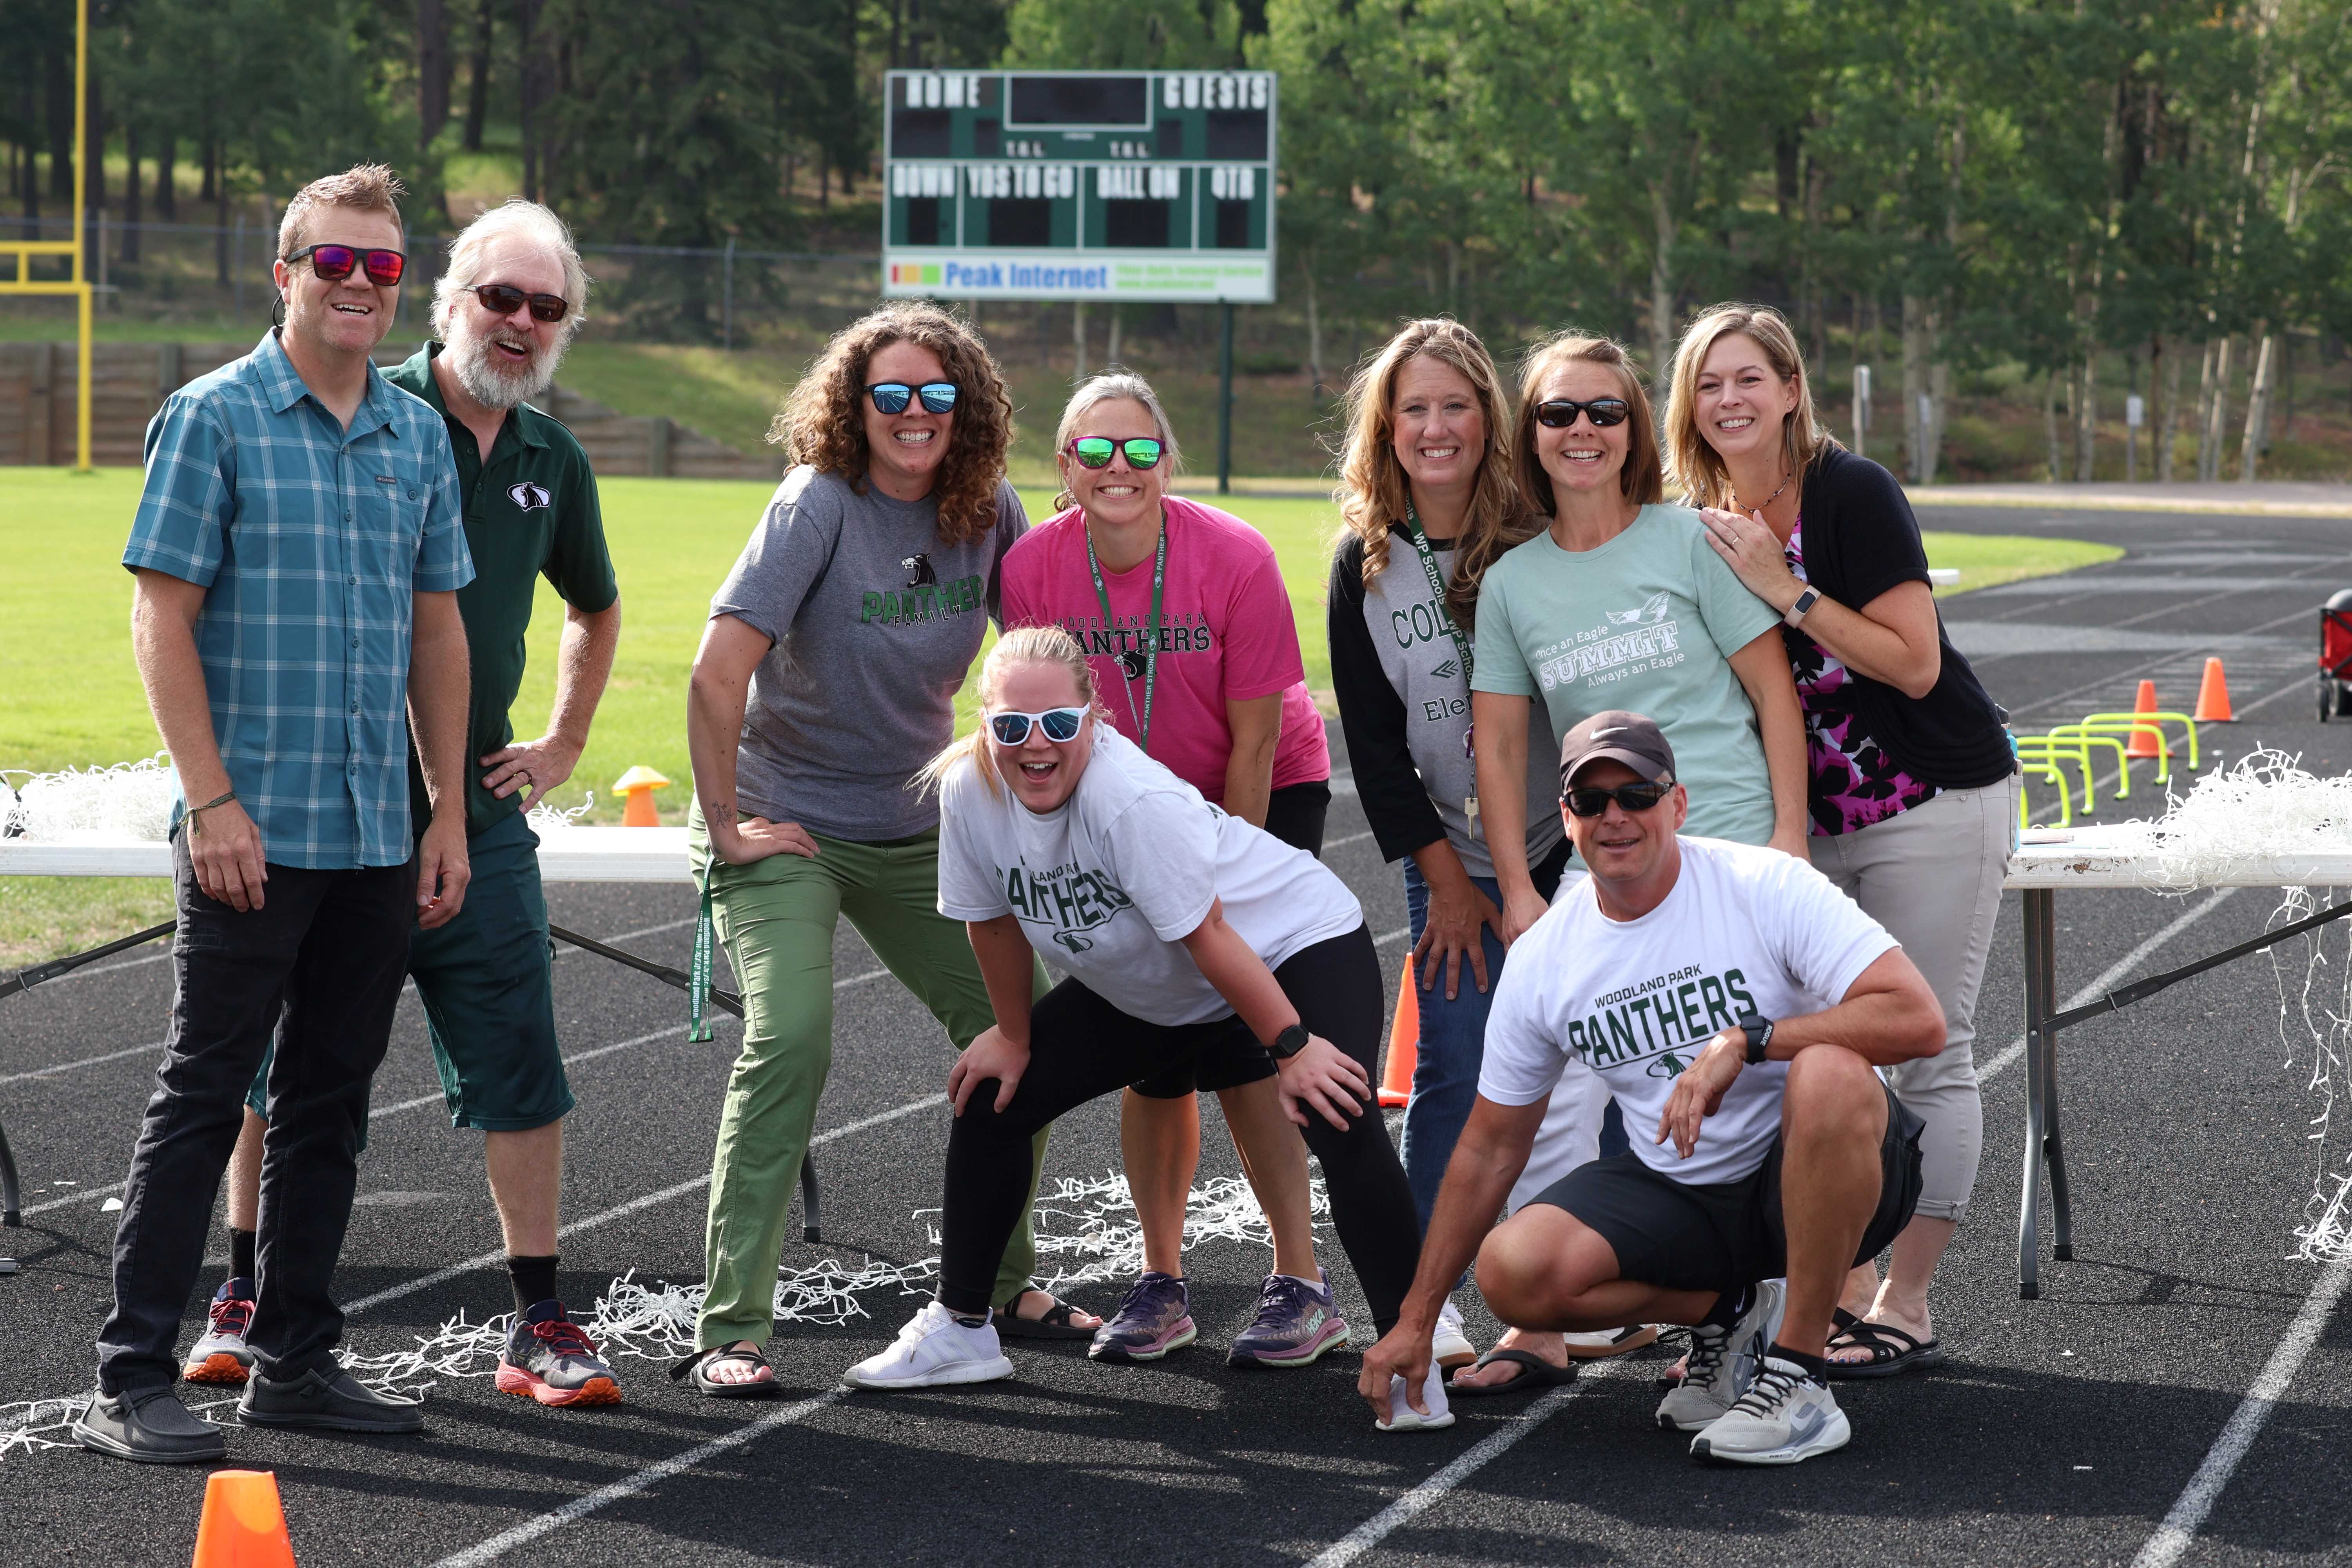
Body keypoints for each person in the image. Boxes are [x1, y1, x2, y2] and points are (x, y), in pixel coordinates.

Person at [193, 200, 628, 1409]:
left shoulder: (554, 459)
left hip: (475, 817)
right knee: (278, 1071)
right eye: (503, 297)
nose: (523, 322)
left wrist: (561, 741)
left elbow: (597, 607)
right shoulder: (365, 409)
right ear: (450, 297)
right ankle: (244, 1294)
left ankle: (540, 1320)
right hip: (325, 811)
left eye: (548, 307)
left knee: (523, 1066)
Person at [78, 164, 476, 1463]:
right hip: (252, 828)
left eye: (382, 269)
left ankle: (294, 1361)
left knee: (331, 1105)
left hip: (375, 831)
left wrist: (445, 815)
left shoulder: (416, 434)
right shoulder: (215, 416)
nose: (359, 287)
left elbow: (438, 628)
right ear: (285, 272)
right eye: (335, 264)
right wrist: (212, 804)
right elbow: (161, 617)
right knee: (203, 1094)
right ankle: (132, 1376)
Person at [843, 628, 1447, 1431]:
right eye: (1012, 726)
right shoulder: (967, 790)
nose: (1035, 745)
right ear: (983, 724)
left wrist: (1293, 1049)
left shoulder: (1132, 802)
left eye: (1059, 724)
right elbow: (989, 922)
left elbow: (1212, 938)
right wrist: (1014, 1036)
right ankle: (960, 1329)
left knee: (1337, 1111)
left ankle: (1416, 1351)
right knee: (992, 1097)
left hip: (1288, 943)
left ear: (1095, 720)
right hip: (1164, 984)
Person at [677, 303, 1092, 1397]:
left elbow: (1042, 659)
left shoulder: (986, 507)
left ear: (968, 410)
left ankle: (1001, 1284)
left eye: (936, 396)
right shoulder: (817, 505)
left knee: (1027, 1031)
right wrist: (726, 828)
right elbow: (717, 676)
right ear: (854, 409)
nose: (914, 415)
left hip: (917, 826)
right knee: (794, 1036)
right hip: (791, 823)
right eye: (891, 395)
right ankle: (733, 1326)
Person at [1358, 710, 1944, 1466]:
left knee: (1828, 1068)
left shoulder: (1762, 884)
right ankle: (1732, 1316)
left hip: (1822, 1174)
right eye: (1591, 801)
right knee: (1514, 1271)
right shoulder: (1547, 957)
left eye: (1637, 794)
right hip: (1684, 1191)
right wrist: (1416, 1318)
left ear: (1677, 804)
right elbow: (1491, 1144)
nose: (1616, 816)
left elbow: (1917, 1019)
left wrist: (1751, 1040)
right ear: (1565, 820)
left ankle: (1800, 1376)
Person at [1668, 303, 2018, 1377]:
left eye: (1748, 380)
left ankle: (1906, 1303)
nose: (1729, 400)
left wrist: (1791, 590)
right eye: (1708, 384)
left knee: (1926, 1043)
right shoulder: (1700, 514)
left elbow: (1912, 665)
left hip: (1930, 802)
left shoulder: (1849, 492)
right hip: (1807, 831)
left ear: (1788, 388)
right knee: (1819, 1055)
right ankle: (1846, 1288)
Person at [1457, 330, 1809, 1392]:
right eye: (1559, 414)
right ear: (1531, 434)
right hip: (1600, 852)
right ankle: (1543, 1332)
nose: (1581, 433)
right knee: (1553, 1083)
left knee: (1767, 1074)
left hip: (1731, 839)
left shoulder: (1687, 541)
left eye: (1604, 413)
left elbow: (1773, 696)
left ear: (1634, 431)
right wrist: (1519, 887)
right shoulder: (1515, 582)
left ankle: (1793, 1316)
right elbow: (1502, 743)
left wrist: (1789, 839)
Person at [1325, 319, 1651, 1388]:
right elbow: (1373, 749)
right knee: (1456, 1076)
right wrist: (1445, 883)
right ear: (1386, 426)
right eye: (1412, 409)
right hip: (1452, 859)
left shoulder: (1532, 532)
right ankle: (1428, 1309)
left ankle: (1613, 1288)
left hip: (1573, 845)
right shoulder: (1361, 561)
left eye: (1455, 406)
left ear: (1488, 419)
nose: (1435, 428)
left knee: (1609, 1063)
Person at [999, 372, 1339, 1366]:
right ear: (1064, 468)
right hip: (1117, 815)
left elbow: (1255, 737)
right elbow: (1035, 727)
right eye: (1096, 451)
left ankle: (1302, 1279)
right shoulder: (1032, 567)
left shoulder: (1234, 553)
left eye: (1140, 450)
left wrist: (1213, 896)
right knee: (1154, 1044)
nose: (1119, 468)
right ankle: (1163, 1281)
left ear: (1168, 461)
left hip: (1254, 794)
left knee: (1241, 1034)